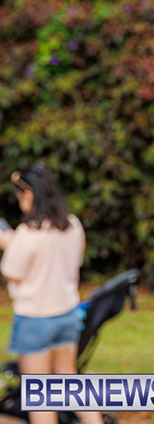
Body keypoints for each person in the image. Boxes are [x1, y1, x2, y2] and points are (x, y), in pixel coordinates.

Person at [0, 166, 102, 424]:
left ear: (30, 195)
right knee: (70, 381)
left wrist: (8, 244)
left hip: (36, 319)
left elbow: (11, 271)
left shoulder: (27, 233)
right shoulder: (73, 225)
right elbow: (71, 261)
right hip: (67, 314)